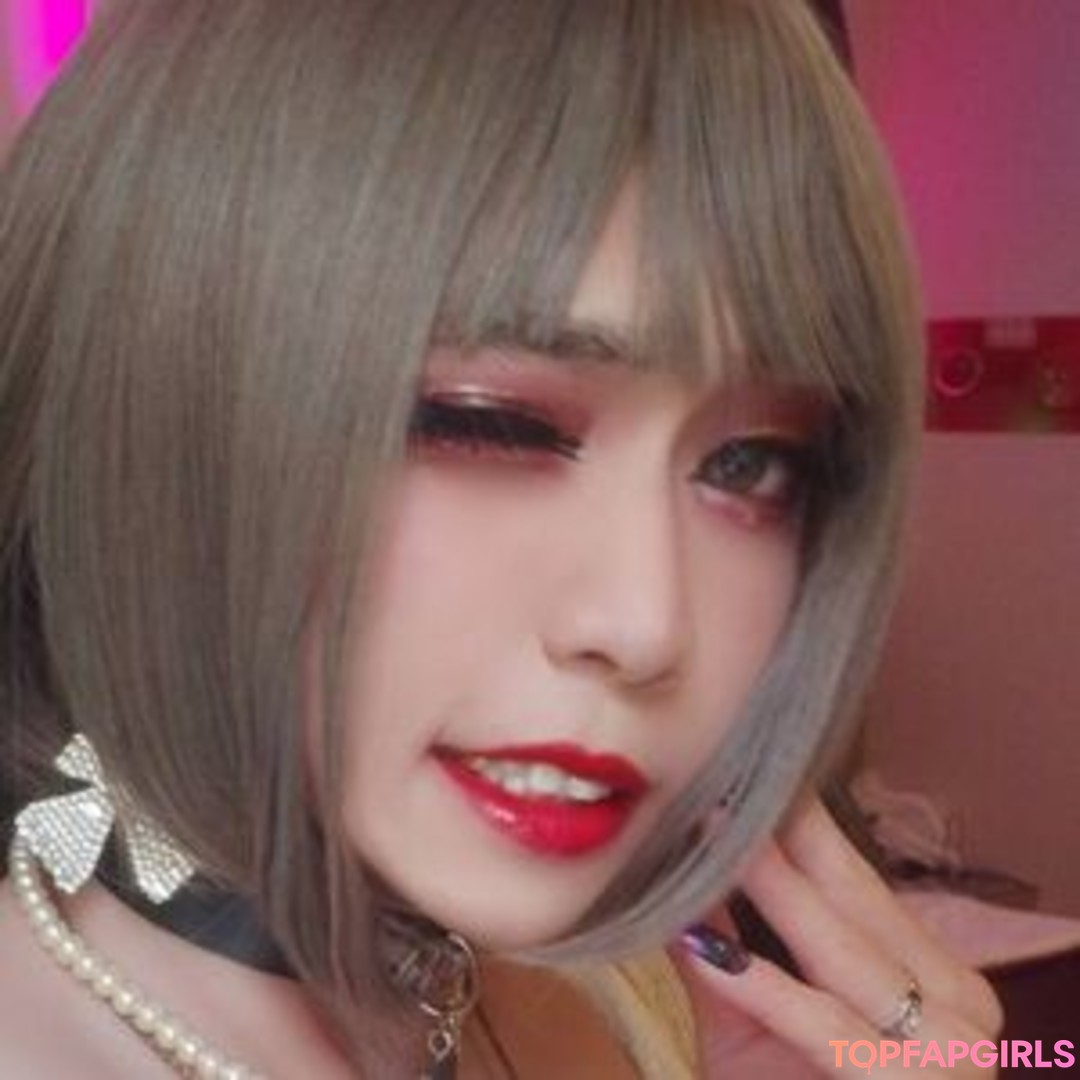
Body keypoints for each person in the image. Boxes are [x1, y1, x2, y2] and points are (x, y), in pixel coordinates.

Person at [0, 0, 1002, 1076]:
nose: (646, 624)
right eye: (492, 424)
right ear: (157, 399)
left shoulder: (612, 1008)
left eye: (751, 464)